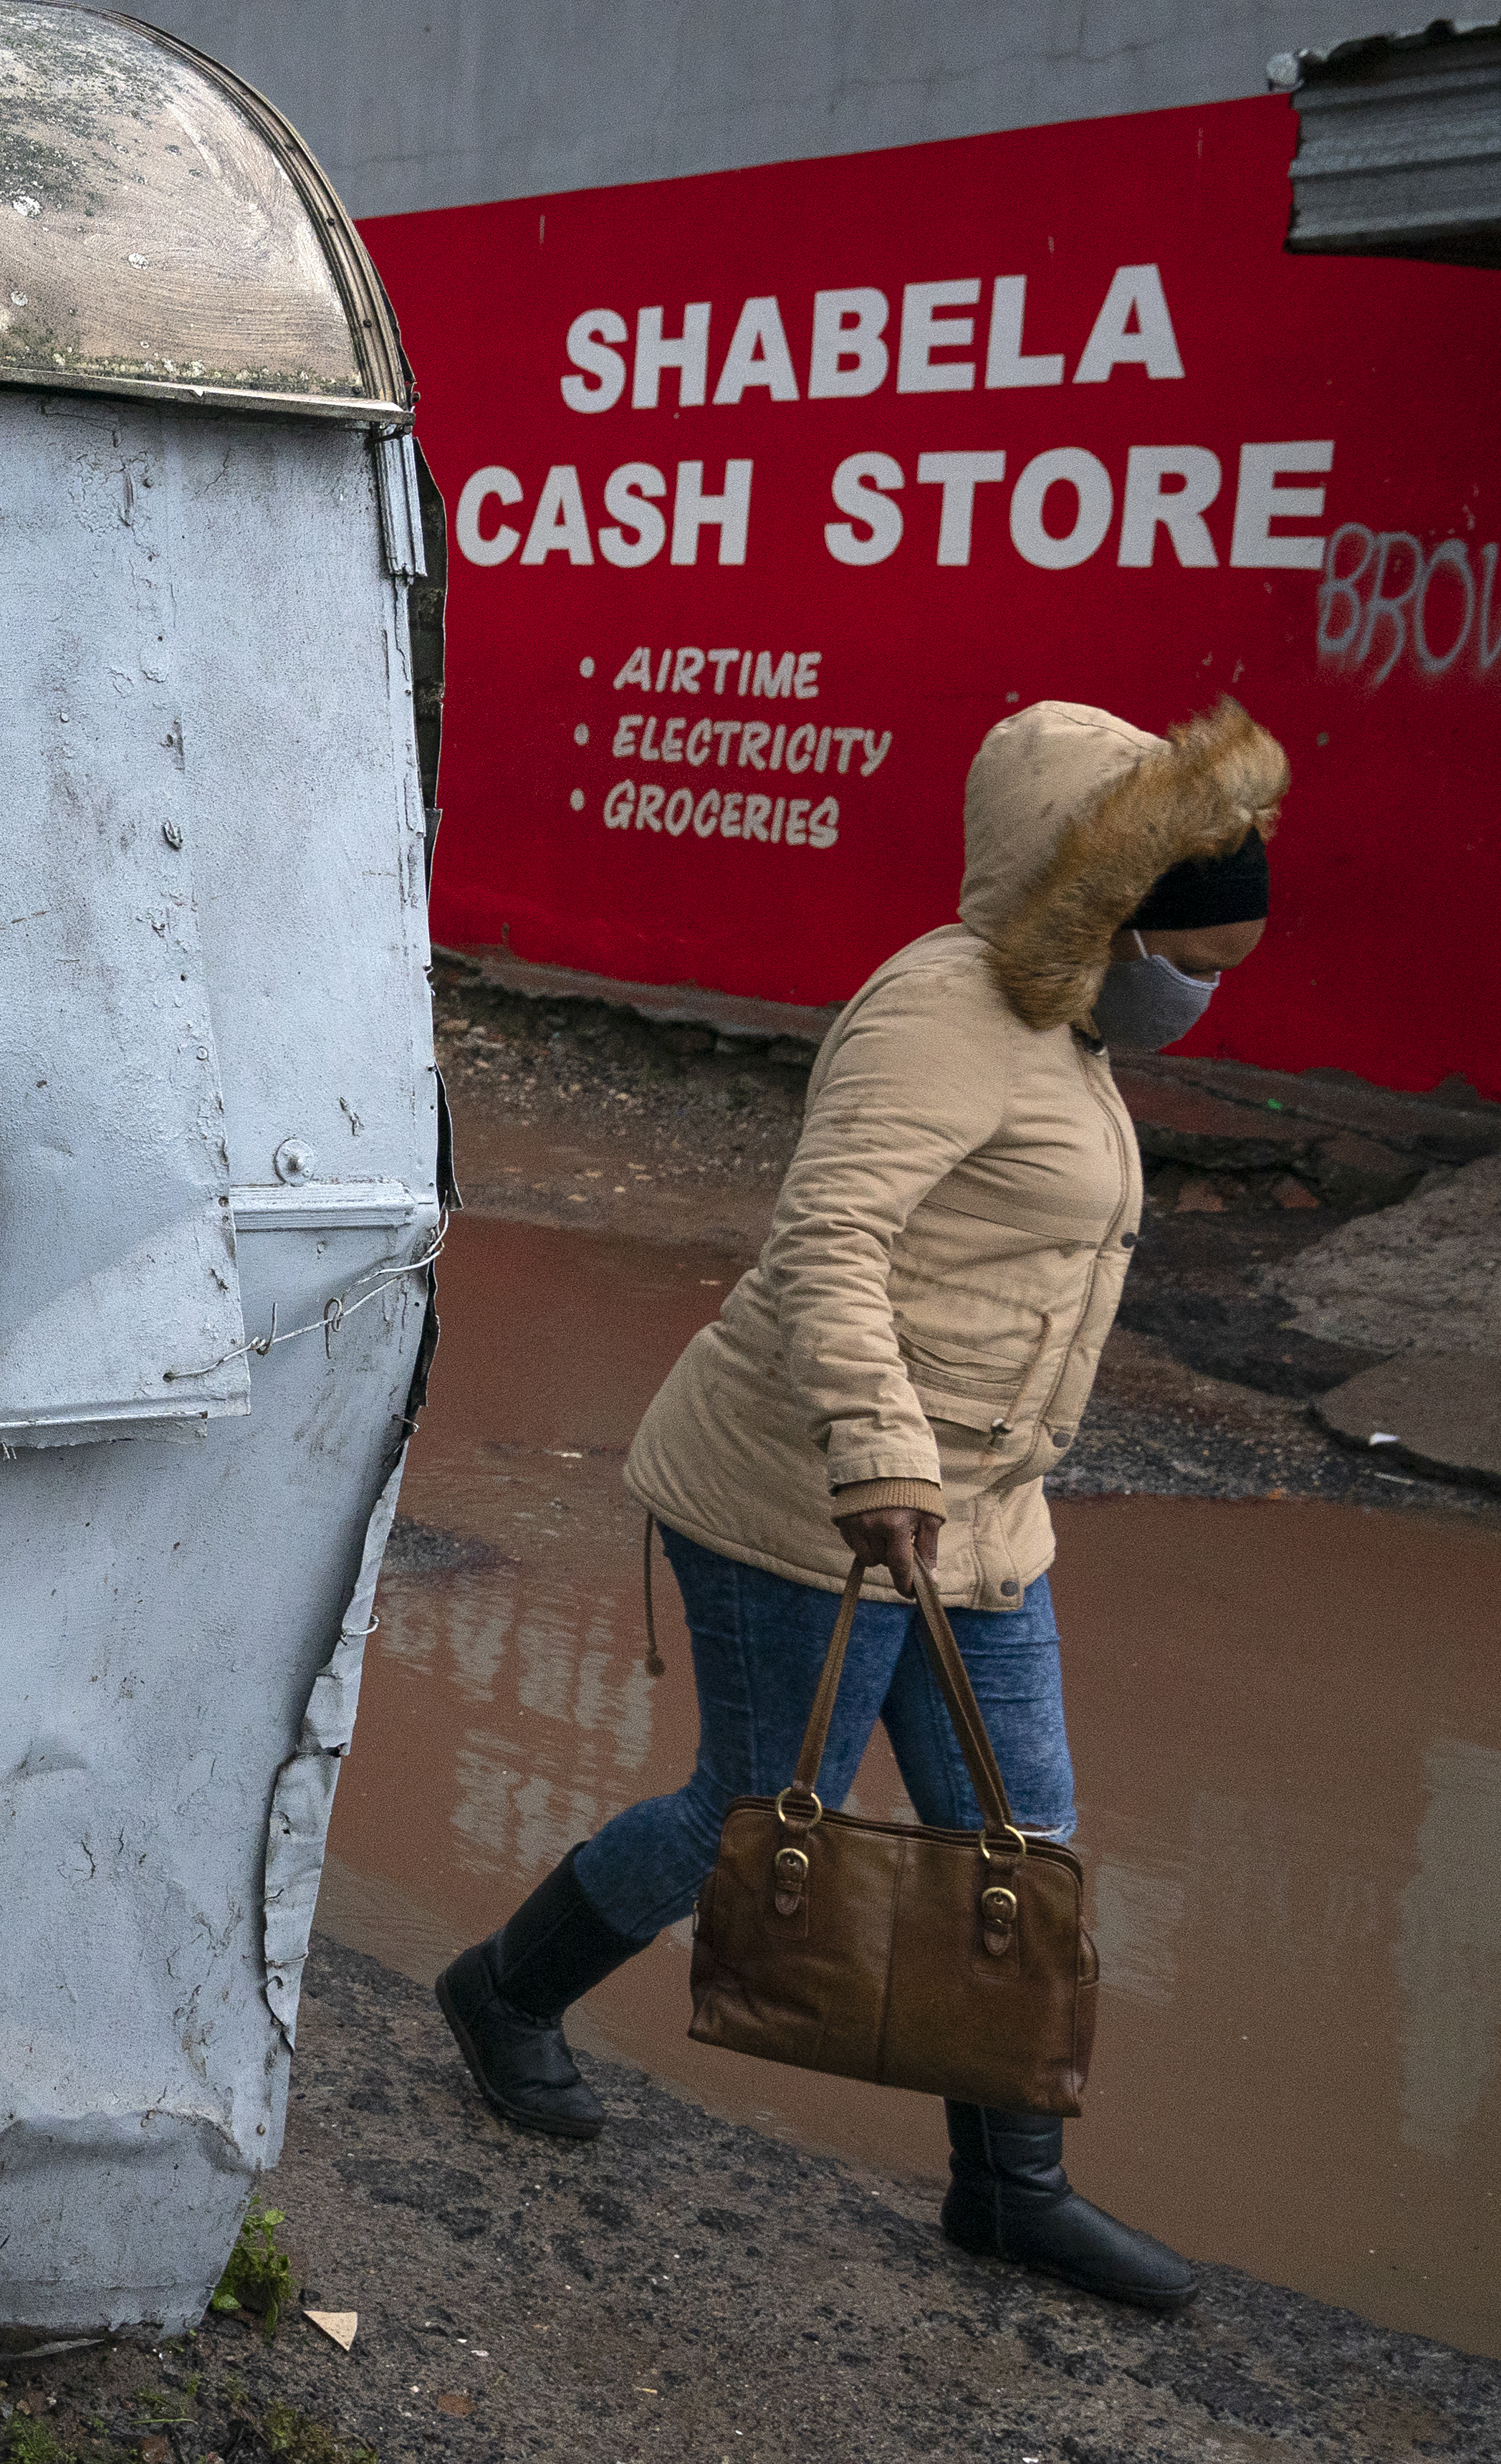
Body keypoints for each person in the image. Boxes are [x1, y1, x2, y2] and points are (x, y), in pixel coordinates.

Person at [431, 697, 1285, 2313]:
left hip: (986, 1513)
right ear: (1089, 905)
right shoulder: (938, 1013)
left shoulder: (1070, 1025)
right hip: (802, 1487)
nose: (1199, 991)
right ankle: (500, 1991)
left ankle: (1010, 2188)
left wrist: (959, 1476)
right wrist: (883, 1456)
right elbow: (830, 1240)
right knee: (763, 1813)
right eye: (1189, 955)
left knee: (1020, 1839)